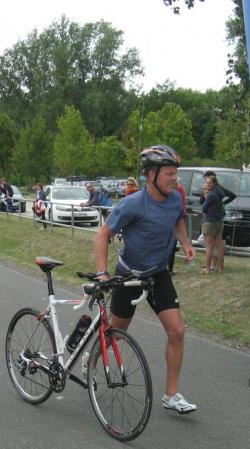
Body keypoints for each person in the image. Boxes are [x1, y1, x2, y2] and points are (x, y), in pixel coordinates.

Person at [92, 145, 198, 414]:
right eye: (169, 174)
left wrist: (186, 244)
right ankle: (90, 361)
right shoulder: (133, 204)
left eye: (175, 173)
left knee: (177, 331)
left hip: (157, 274)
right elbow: (102, 235)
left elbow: (177, 221)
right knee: (116, 333)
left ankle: (171, 395)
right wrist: (103, 272)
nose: (174, 179)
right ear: (151, 175)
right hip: (128, 275)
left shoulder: (175, 198)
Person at [200, 171, 236, 273]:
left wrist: (206, 197)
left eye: (209, 183)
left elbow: (204, 208)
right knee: (219, 246)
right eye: (206, 182)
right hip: (219, 222)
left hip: (210, 222)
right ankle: (220, 268)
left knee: (209, 246)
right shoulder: (220, 191)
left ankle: (207, 269)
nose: (207, 185)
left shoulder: (211, 194)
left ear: (214, 183)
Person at [168, 180, 188, 273]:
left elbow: (180, 204)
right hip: (173, 218)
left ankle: (169, 269)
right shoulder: (174, 189)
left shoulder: (177, 189)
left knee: (171, 244)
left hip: (175, 219)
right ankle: (168, 269)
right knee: (170, 244)